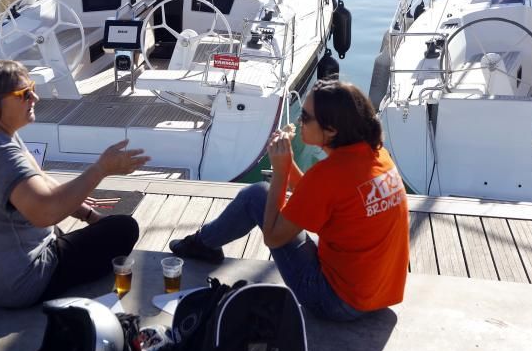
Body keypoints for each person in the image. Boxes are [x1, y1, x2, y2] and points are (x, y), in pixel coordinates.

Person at [170, 79, 409, 321]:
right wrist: (289, 162)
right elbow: (317, 193)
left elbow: (273, 236)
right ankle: (204, 243)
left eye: (305, 117)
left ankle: (202, 244)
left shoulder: (328, 175)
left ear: (332, 130)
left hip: (336, 302)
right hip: (381, 296)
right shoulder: (378, 155)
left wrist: (281, 172)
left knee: (256, 195)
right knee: (263, 196)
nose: (298, 121)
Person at [0, 59, 150, 308]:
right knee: (124, 228)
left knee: (83, 224)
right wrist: (101, 169)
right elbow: (46, 213)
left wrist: (88, 214)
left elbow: (37, 176)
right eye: (24, 94)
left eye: (32, 88)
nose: (35, 98)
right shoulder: (1, 155)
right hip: (12, 285)